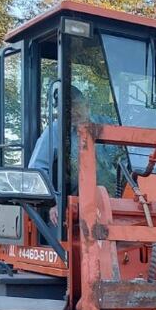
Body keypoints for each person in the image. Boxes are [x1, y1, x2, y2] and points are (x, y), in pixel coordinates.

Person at [29, 85, 119, 223]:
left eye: (75, 105)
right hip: (73, 209)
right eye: (66, 108)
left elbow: (124, 159)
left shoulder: (107, 125)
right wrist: (52, 202)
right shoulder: (55, 131)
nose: (71, 111)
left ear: (87, 104)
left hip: (114, 203)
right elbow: (36, 168)